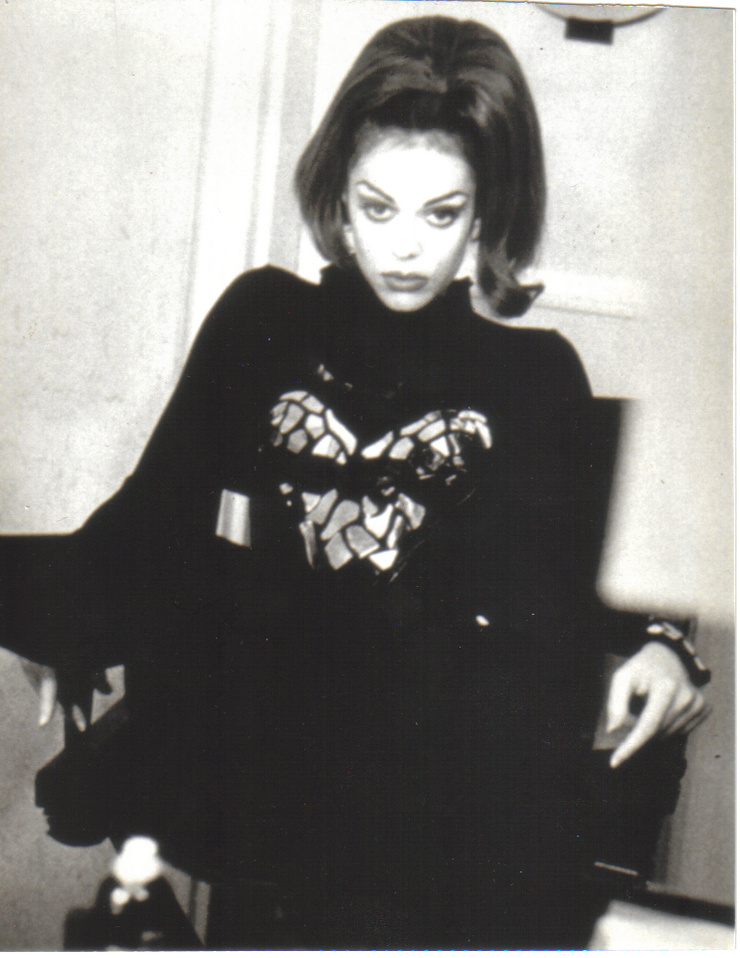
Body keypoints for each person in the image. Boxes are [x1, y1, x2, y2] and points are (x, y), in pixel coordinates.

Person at [0, 14, 709, 949]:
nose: (405, 249)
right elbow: (150, 515)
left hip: (430, 800)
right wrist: (65, 618)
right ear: (338, 197)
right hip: (266, 765)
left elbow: (580, 592)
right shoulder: (263, 319)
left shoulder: (535, 376)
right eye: (378, 208)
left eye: (441, 214)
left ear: (488, 210)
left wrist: (666, 645)